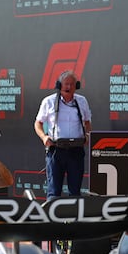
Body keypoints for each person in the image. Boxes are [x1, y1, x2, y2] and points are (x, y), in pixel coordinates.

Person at [34, 70, 92, 201]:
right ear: (59, 85)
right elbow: (38, 123)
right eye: (66, 84)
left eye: (72, 84)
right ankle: (51, 220)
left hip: (76, 151)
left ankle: (75, 220)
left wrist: (87, 135)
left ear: (76, 86)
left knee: (75, 192)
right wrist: (44, 137)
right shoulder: (48, 101)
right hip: (56, 151)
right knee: (54, 192)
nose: (69, 87)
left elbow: (87, 122)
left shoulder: (82, 101)